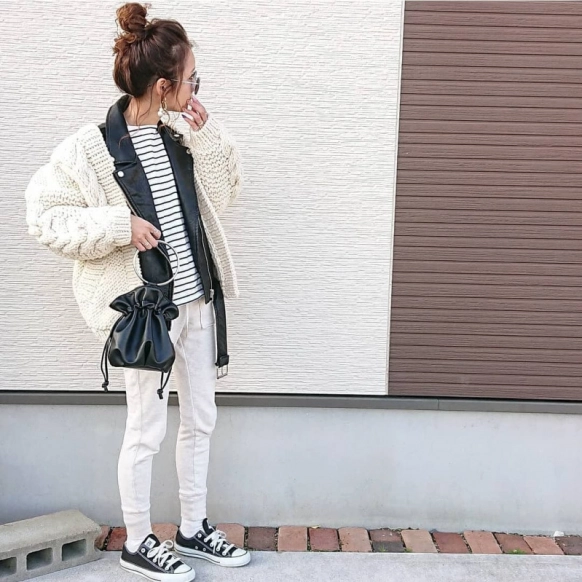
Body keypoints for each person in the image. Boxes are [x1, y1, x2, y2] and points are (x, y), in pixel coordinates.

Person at [24, 2, 250, 580]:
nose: (196, 88)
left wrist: (207, 130)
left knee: (201, 418)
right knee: (146, 430)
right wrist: (116, 225)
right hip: (147, 313)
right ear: (162, 85)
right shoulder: (90, 148)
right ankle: (140, 539)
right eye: (192, 79)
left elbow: (225, 193)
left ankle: (194, 527)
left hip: (197, 302)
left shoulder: (180, 136)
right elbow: (44, 218)